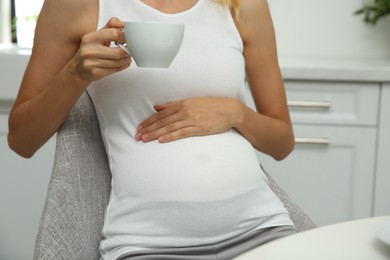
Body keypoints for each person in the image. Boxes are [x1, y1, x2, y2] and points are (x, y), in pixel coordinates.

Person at [8, 0, 296, 259]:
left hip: (262, 229)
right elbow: (22, 140)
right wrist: (75, 73)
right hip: (147, 242)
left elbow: (282, 143)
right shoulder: (76, 5)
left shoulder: (243, 5)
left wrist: (236, 113)